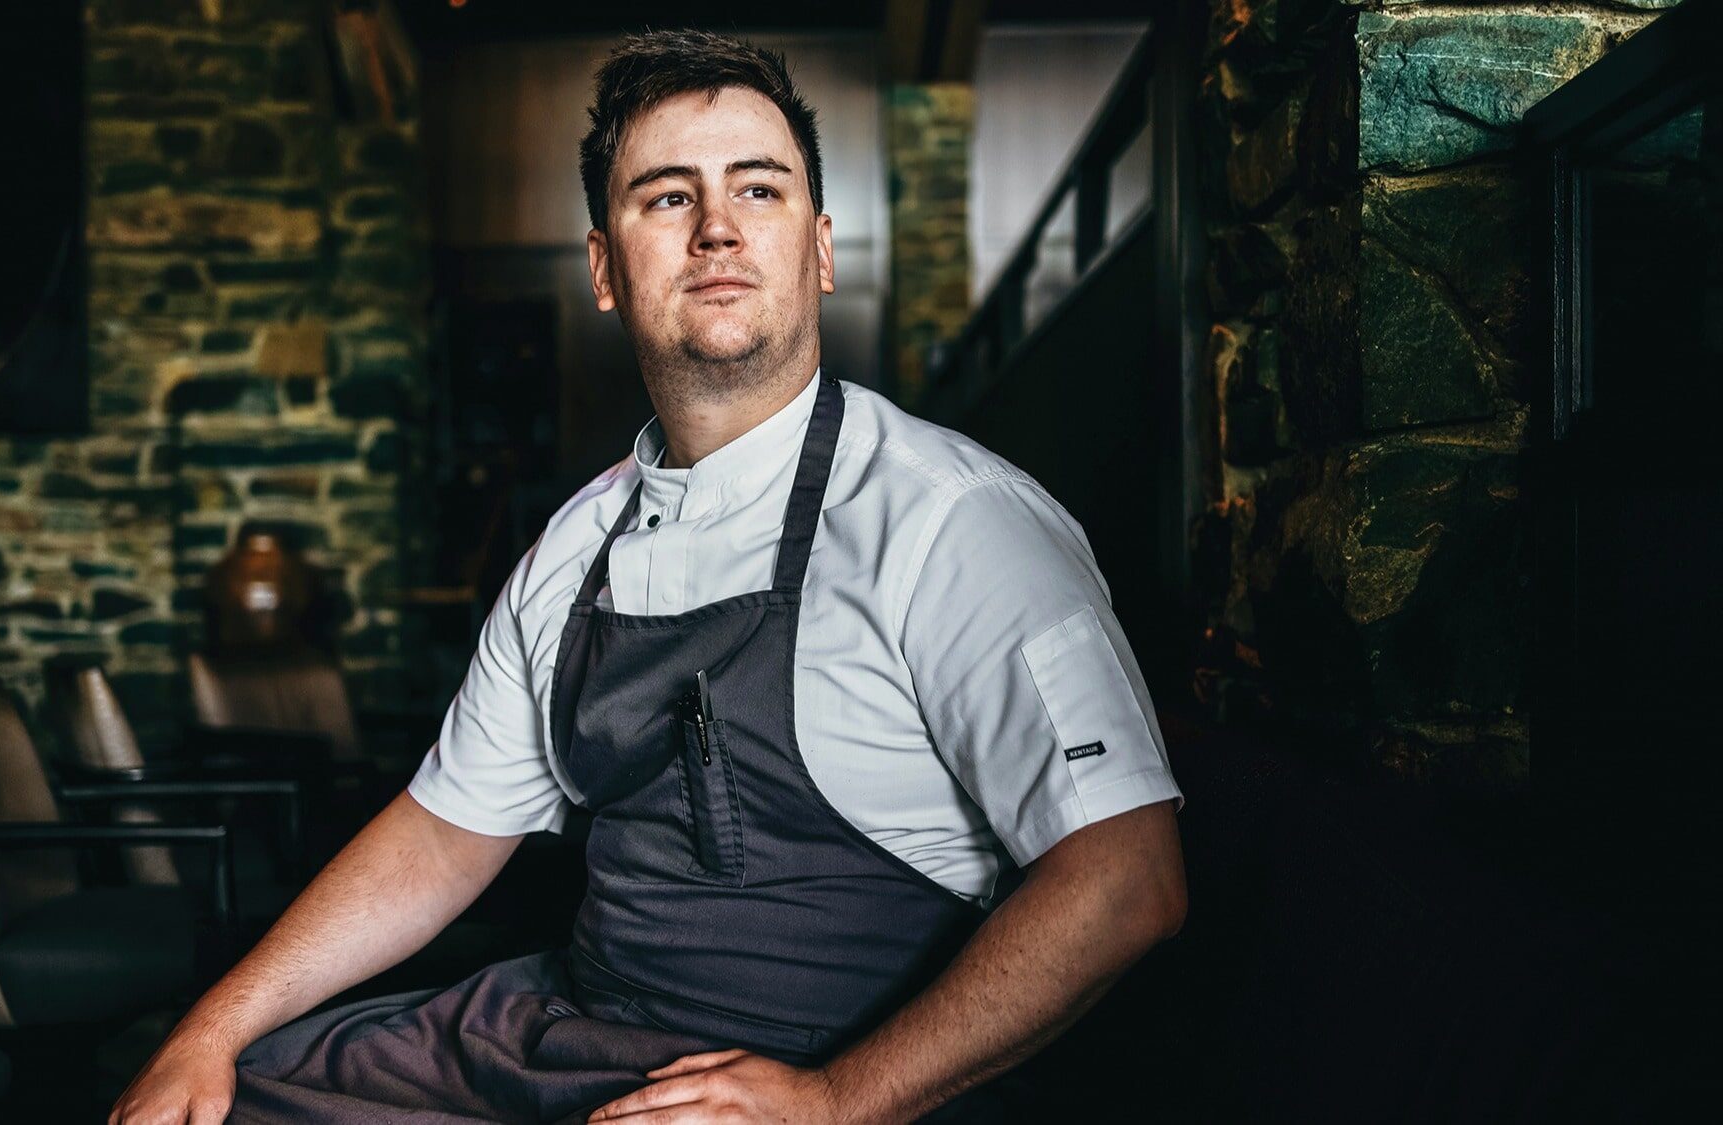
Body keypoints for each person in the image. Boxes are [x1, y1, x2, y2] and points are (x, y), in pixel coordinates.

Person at [111, 28, 1186, 1125]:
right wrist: (209, 1029)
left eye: (757, 190)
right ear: (603, 270)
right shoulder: (571, 550)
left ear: (817, 248)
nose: (717, 227)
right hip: (563, 1032)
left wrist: (834, 1101)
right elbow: (440, 835)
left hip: (829, 1070)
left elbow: (1121, 880)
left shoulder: (953, 521)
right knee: (226, 1100)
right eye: (667, 198)